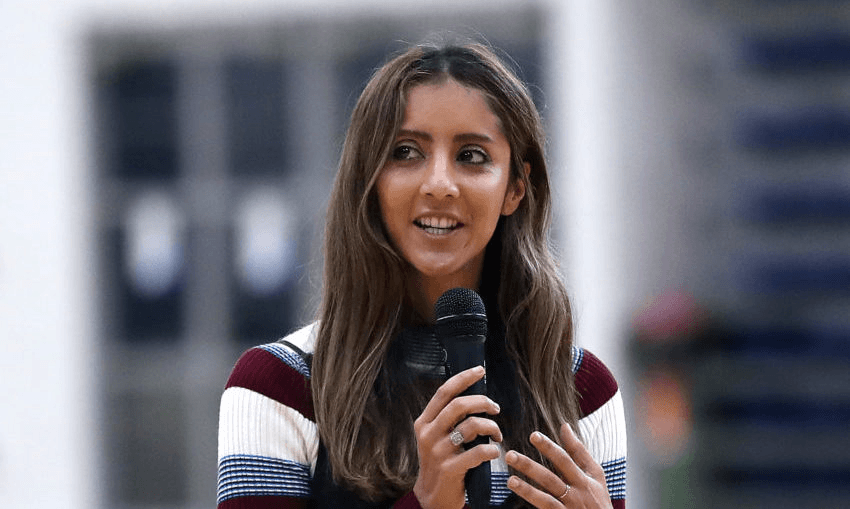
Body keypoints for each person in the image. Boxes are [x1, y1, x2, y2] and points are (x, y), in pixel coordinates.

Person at [217, 42, 627, 509]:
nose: (438, 184)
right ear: (368, 181)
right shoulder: (278, 385)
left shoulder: (582, 390)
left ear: (516, 188)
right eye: (406, 152)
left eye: (472, 156)